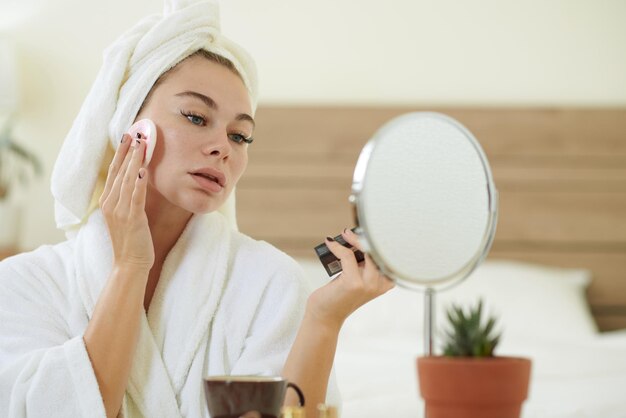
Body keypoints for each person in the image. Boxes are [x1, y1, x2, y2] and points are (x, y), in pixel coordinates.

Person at [0, 1, 393, 417]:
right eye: (195, 116)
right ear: (130, 127)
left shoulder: (272, 283)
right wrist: (130, 265)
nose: (223, 146)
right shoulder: (24, 285)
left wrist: (323, 320)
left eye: (241, 136)